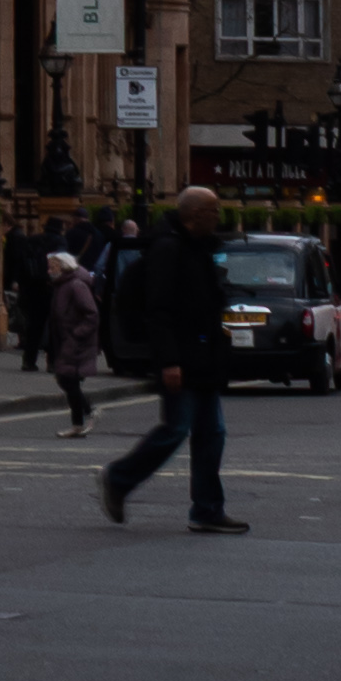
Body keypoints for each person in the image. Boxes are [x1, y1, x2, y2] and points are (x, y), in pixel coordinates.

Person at [101, 180, 250, 532]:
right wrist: (168, 361)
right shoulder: (169, 249)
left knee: (212, 433)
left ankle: (207, 509)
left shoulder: (199, 246)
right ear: (196, 215)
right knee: (176, 429)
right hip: (181, 358)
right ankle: (118, 479)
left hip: (204, 356)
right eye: (215, 211)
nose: (219, 217)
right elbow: (159, 309)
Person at [44, 234, 102, 430]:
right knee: (67, 381)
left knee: (68, 381)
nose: (49, 270)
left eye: (52, 267)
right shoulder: (61, 285)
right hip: (65, 342)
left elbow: (91, 315)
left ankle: (81, 420)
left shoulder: (76, 285)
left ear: (63, 267)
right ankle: (84, 416)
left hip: (76, 343)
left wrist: (76, 335)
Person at [3, 213, 52, 373]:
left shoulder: (27, 247)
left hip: (31, 293)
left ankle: (29, 361)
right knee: (52, 328)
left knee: (33, 328)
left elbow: (19, 266)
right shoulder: (50, 249)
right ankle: (52, 362)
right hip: (47, 293)